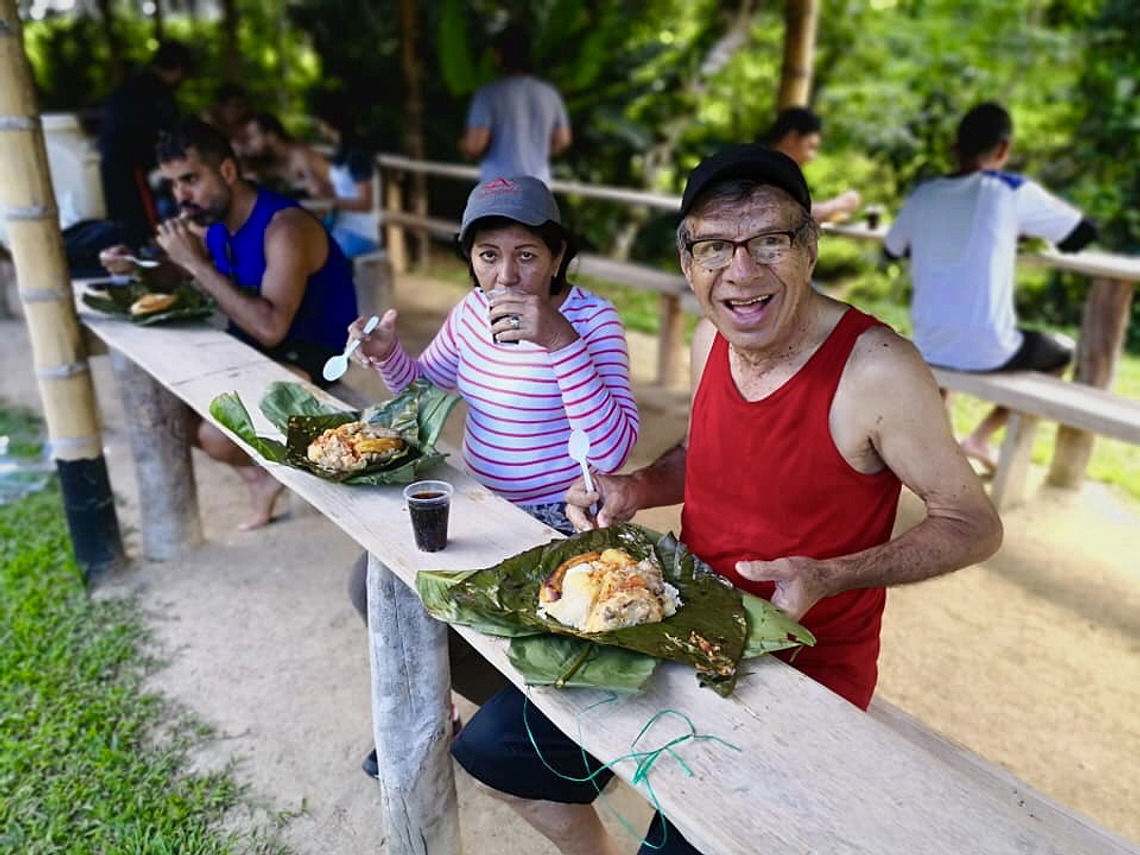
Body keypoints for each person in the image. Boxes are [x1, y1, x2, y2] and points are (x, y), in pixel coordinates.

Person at [450, 146, 1004, 855]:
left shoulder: (877, 369)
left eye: (769, 240)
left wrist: (830, 574)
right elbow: (700, 456)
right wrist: (635, 487)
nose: (742, 272)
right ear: (688, 261)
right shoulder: (712, 338)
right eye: (716, 246)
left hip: (798, 666)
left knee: (683, 842)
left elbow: (972, 524)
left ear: (809, 248)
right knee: (494, 750)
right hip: (676, 627)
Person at [346, 174, 640, 778]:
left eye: (526, 255)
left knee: (478, 613)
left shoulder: (595, 321)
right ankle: (435, 711)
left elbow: (612, 450)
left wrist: (561, 342)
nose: (505, 276)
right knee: (372, 584)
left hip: (559, 522)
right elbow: (427, 393)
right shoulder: (472, 313)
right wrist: (386, 357)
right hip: (475, 500)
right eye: (488, 256)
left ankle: (521, 725)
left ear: (558, 256)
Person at [99, 119, 359, 530]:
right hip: (260, 351)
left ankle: (271, 473)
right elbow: (179, 274)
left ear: (227, 171)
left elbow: (271, 326)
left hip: (315, 355)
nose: (181, 197)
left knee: (218, 435)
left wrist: (194, 262)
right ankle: (257, 475)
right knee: (165, 405)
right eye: (173, 184)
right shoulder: (217, 223)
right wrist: (135, 267)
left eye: (190, 179)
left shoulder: (284, 228)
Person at [884, 102, 1098, 470]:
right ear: (1003, 149)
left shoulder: (925, 194)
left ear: (956, 148)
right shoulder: (1010, 191)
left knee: (948, 331)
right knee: (1062, 350)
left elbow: (892, 252)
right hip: (990, 352)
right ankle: (980, 438)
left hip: (929, 343)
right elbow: (1082, 234)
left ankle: (946, 446)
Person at [98, 39, 194, 244]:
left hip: (114, 163)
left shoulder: (132, 86)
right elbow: (168, 134)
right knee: (141, 222)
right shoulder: (156, 93)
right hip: (134, 166)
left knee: (124, 219)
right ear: (177, 69)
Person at [459, 24, 572, 186]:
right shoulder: (550, 94)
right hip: (539, 188)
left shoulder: (488, 95)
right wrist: (534, 154)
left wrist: (465, 147)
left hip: (498, 190)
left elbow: (475, 144)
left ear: (500, 55)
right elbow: (563, 140)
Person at [763, 106, 862, 223]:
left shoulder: (772, 164)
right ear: (791, 138)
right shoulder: (764, 167)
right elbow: (794, 216)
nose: (812, 157)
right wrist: (841, 203)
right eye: (811, 147)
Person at [311, 91, 380, 258]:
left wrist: (329, 200)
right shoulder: (343, 151)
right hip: (343, 227)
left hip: (359, 234)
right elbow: (346, 192)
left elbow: (366, 202)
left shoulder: (357, 155)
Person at [241, 112, 329, 198]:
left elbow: (335, 187)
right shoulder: (261, 164)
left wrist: (318, 189)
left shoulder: (304, 156)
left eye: (252, 137)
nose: (249, 144)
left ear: (271, 136)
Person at [200, 82, 254, 151]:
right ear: (220, 106)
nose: (242, 111)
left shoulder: (246, 125)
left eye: (244, 106)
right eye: (237, 106)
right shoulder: (205, 124)